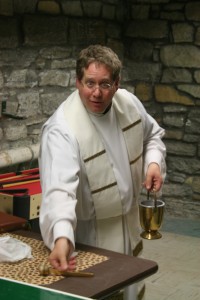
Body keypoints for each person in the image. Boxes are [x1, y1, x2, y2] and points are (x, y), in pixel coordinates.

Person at [39, 44, 166, 300]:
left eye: (105, 84)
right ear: (77, 82)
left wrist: (153, 162)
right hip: (89, 236)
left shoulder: (128, 104)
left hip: (126, 226)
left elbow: (152, 135)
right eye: (89, 83)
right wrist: (62, 236)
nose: (96, 93)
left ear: (117, 84)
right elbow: (59, 190)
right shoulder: (62, 129)